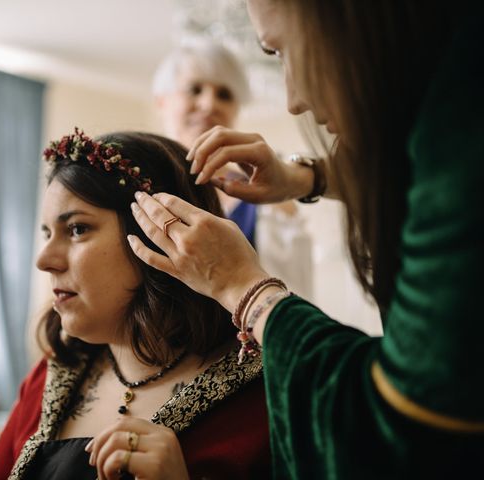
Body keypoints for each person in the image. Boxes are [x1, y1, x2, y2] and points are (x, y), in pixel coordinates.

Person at [126, 0, 484, 478]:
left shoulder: (463, 127)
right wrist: (307, 176)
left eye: (281, 49)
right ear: (164, 102)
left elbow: (411, 427)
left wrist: (241, 285)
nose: (293, 99)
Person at [0, 129, 271, 480]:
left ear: (159, 236)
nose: (44, 259)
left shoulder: (263, 401)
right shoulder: (47, 380)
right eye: (47, 233)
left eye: (76, 229)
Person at [153, 40, 314, 300]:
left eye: (224, 95)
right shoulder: (136, 182)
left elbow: (295, 294)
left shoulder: (270, 199)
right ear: (162, 102)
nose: (209, 104)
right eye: (194, 89)